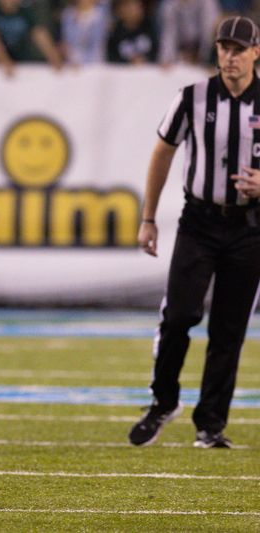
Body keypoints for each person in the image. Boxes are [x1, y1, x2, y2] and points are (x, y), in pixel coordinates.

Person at [129, 16, 260, 449]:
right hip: (200, 221)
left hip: (250, 226)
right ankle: (163, 401)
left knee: (229, 329)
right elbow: (162, 152)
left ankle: (211, 424)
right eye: (224, 47)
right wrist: (148, 217)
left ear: (256, 52)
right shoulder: (192, 97)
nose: (230, 55)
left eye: (239, 48)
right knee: (179, 315)